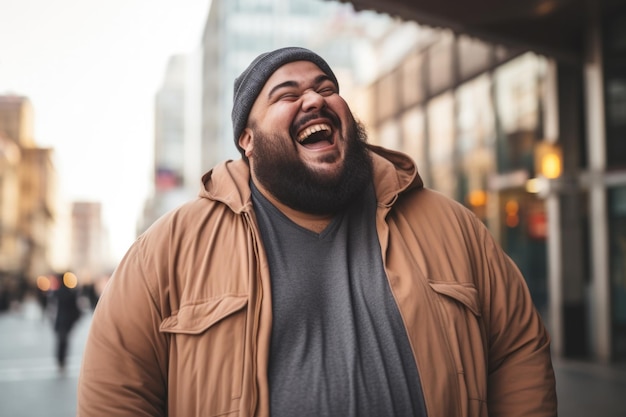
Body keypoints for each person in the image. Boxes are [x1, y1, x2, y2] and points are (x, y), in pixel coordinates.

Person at [77, 47, 557, 416]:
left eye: (327, 88)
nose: (314, 99)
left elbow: (517, 351)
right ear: (247, 139)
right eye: (287, 94)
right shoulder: (169, 248)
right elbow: (116, 392)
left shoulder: (451, 225)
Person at [51, 272, 81, 371]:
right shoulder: (69, 293)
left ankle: (61, 360)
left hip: (61, 320)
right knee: (64, 341)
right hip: (66, 320)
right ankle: (61, 360)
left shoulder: (58, 293)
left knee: (61, 341)